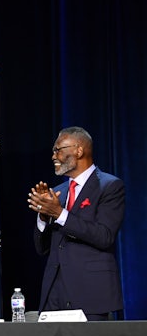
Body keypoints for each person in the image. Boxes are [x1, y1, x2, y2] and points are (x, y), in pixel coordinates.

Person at [27, 126, 125, 321]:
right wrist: (44, 217)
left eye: (59, 150)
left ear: (79, 150)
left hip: (90, 292)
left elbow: (104, 236)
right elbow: (42, 248)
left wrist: (59, 213)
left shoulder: (110, 186)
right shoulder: (58, 192)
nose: (54, 156)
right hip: (54, 293)